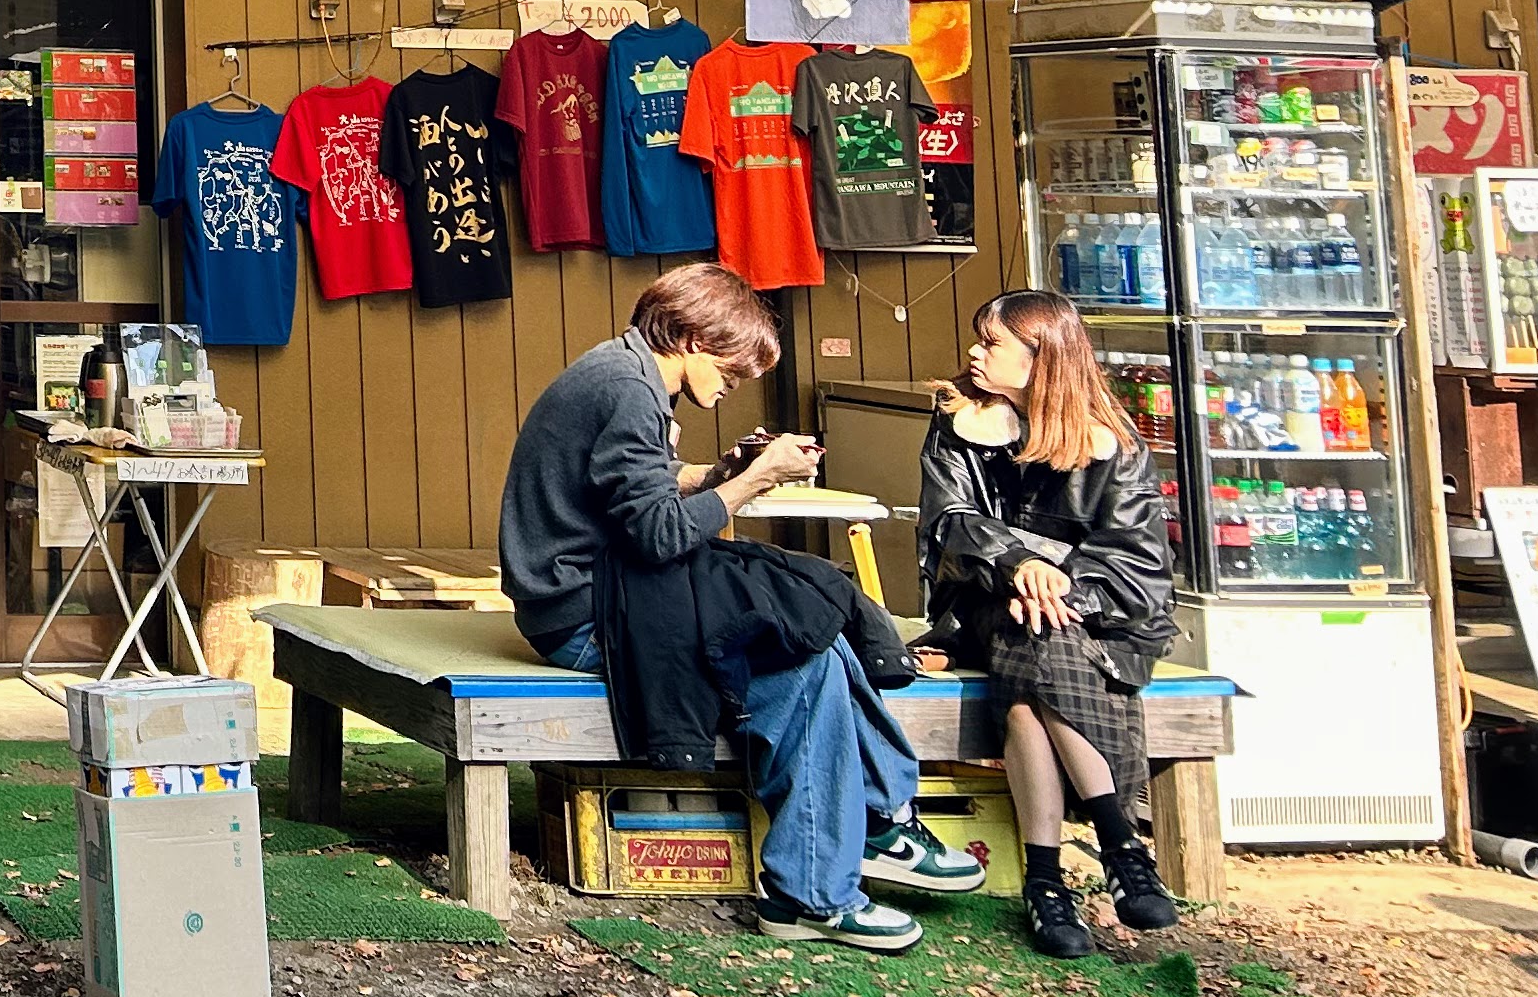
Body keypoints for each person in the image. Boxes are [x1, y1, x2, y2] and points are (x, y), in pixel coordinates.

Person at [498, 260, 985, 950]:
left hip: (602, 593)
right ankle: (814, 891)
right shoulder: (628, 389)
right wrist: (756, 480)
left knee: (808, 618)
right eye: (733, 368)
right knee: (803, 656)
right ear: (694, 338)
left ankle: (881, 820)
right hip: (587, 616)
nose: (736, 383)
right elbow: (659, 534)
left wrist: (718, 473)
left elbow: (637, 485)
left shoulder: (622, 369)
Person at [917, 290, 1181, 957]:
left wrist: (1061, 586)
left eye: (992, 343)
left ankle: (1045, 883)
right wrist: (1019, 565)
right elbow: (948, 525)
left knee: (1032, 669)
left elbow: (1142, 568)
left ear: (1043, 358)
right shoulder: (958, 423)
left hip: (1101, 620)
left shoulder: (1113, 443)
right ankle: (1122, 845)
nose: (974, 353)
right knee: (1030, 628)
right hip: (983, 603)